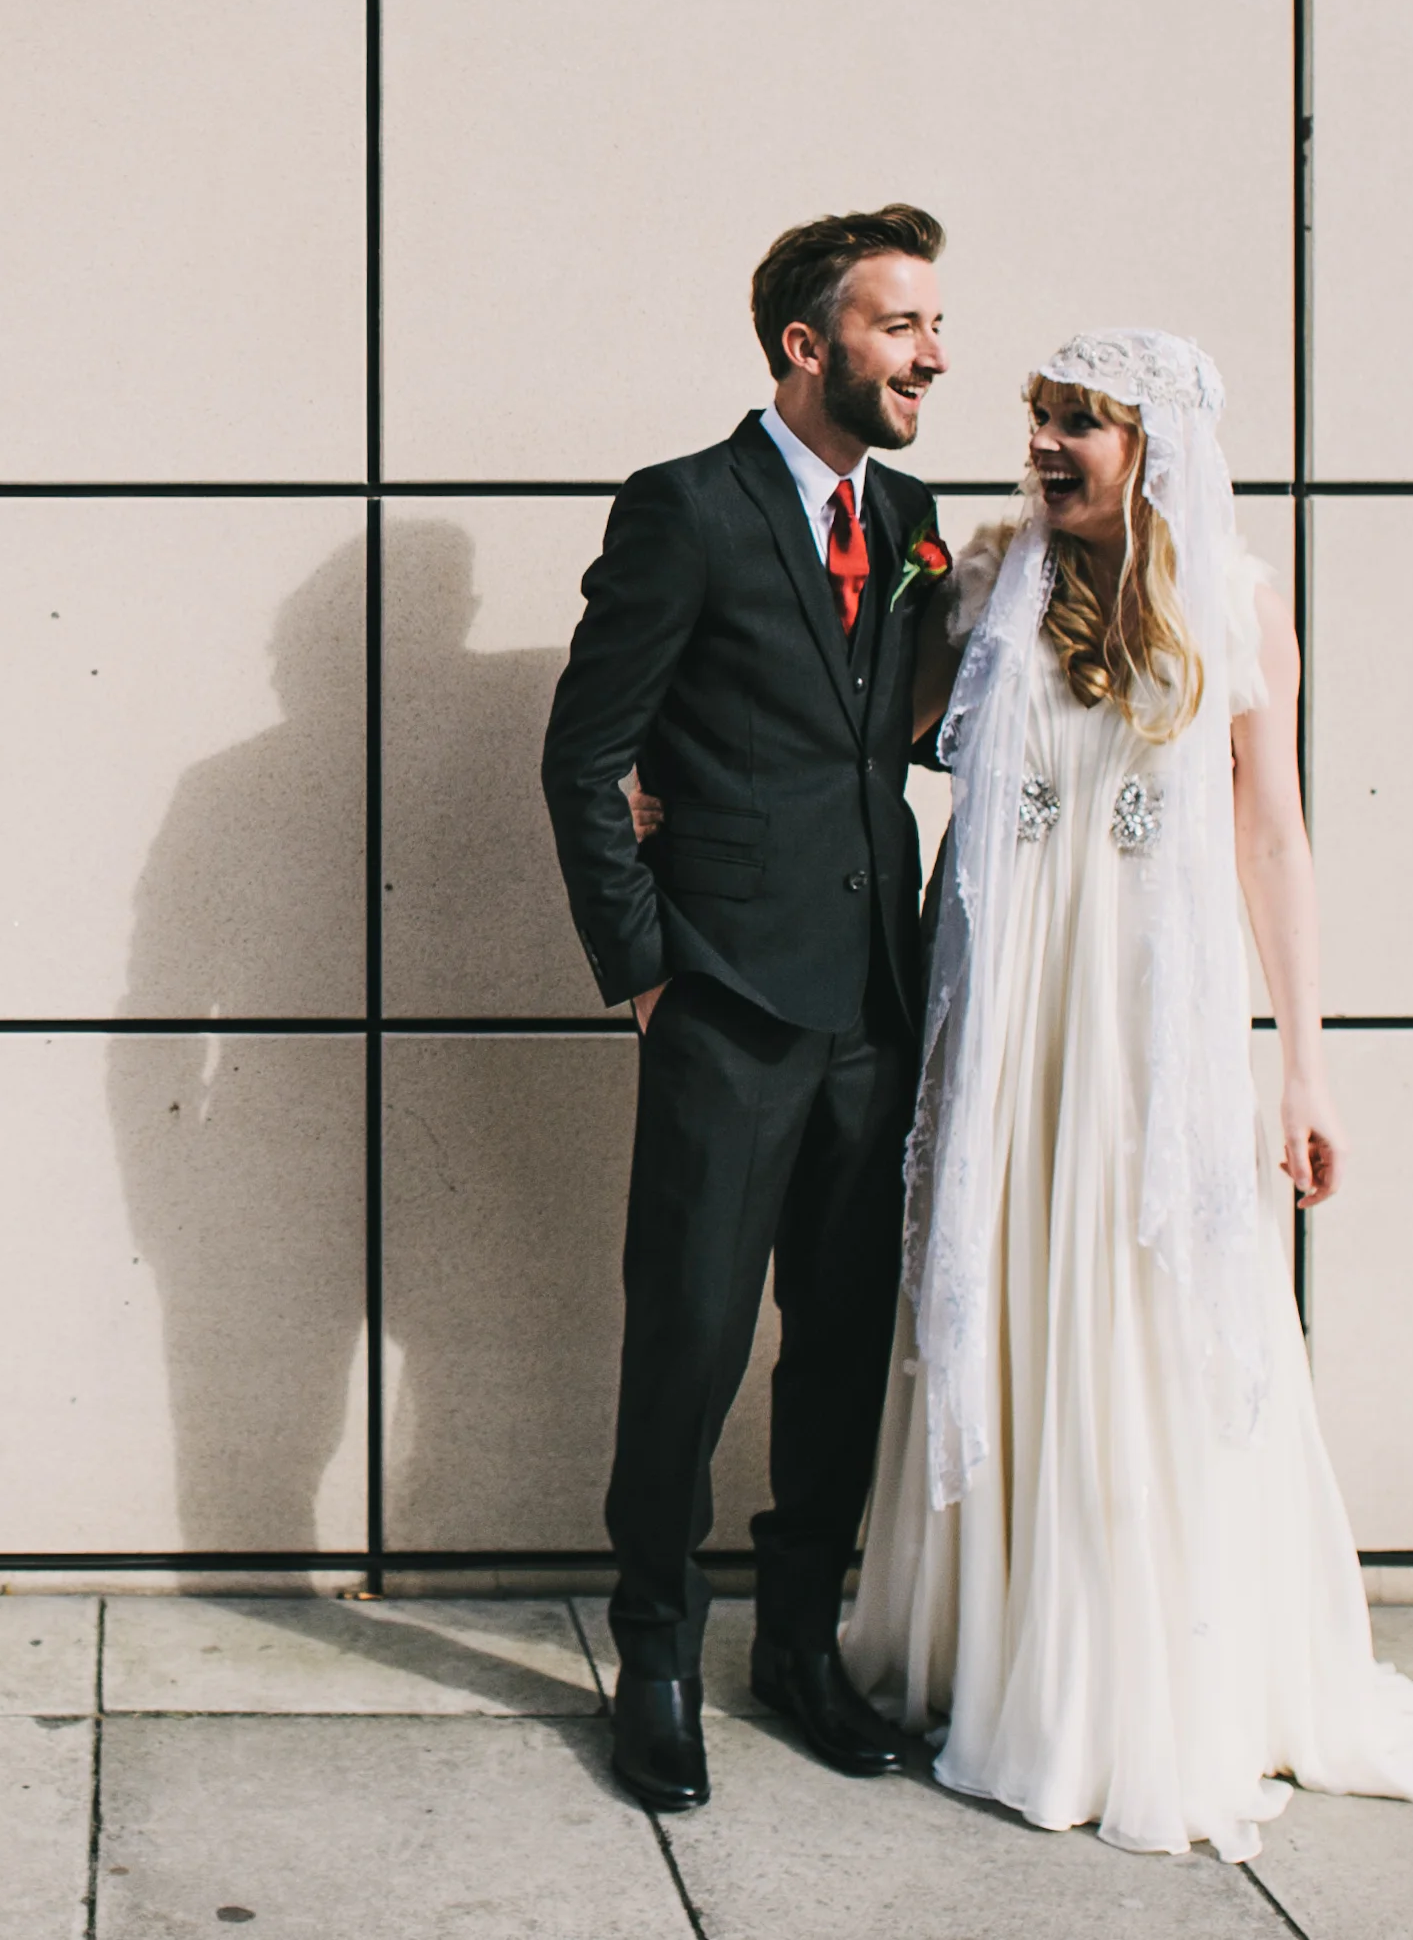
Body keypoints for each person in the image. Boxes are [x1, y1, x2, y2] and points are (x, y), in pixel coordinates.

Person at [829, 327, 1413, 1856]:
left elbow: (1274, 839)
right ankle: (987, 1645)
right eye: (1036, 418)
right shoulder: (982, 589)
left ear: (1154, 443)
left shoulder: (1235, 606)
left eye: (1076, 424)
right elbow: (866, 742)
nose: (1042, 444)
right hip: (1015, 1034)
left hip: (1145, 1044)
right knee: (1012, 1298)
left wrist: (1305, 1066)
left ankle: (1135, 1675)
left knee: (1141, 1311)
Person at [537, 205, 956, 1812]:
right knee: (692, 1344)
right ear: (807, 344)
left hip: (874, 1006)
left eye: (933, 323)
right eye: (902, 323)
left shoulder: (914, 518)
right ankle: (654, 1654)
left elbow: (897, 731)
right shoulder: (687, 511)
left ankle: (797, 1648)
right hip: (724, 1005)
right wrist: (647, 971)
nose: (934, 352)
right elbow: (586, 754)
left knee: (842, 1347)